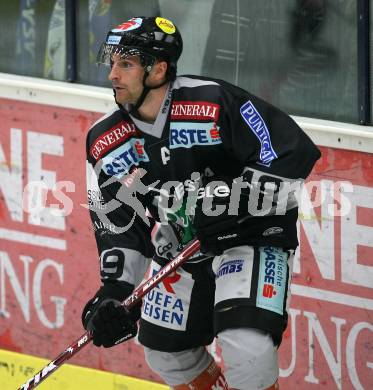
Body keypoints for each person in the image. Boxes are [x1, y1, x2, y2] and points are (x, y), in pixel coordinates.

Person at [82, 16, 321, 390]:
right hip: (183, 246)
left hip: (250, 236)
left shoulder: (213, 102)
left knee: (248, 349)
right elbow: (120, 225)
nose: (113, 74)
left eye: (125, 63)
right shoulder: (105, 140)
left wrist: (235, 203)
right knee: (165, 352)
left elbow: (290, 152)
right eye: (112, 62)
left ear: (158, 69)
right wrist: (114, 292)